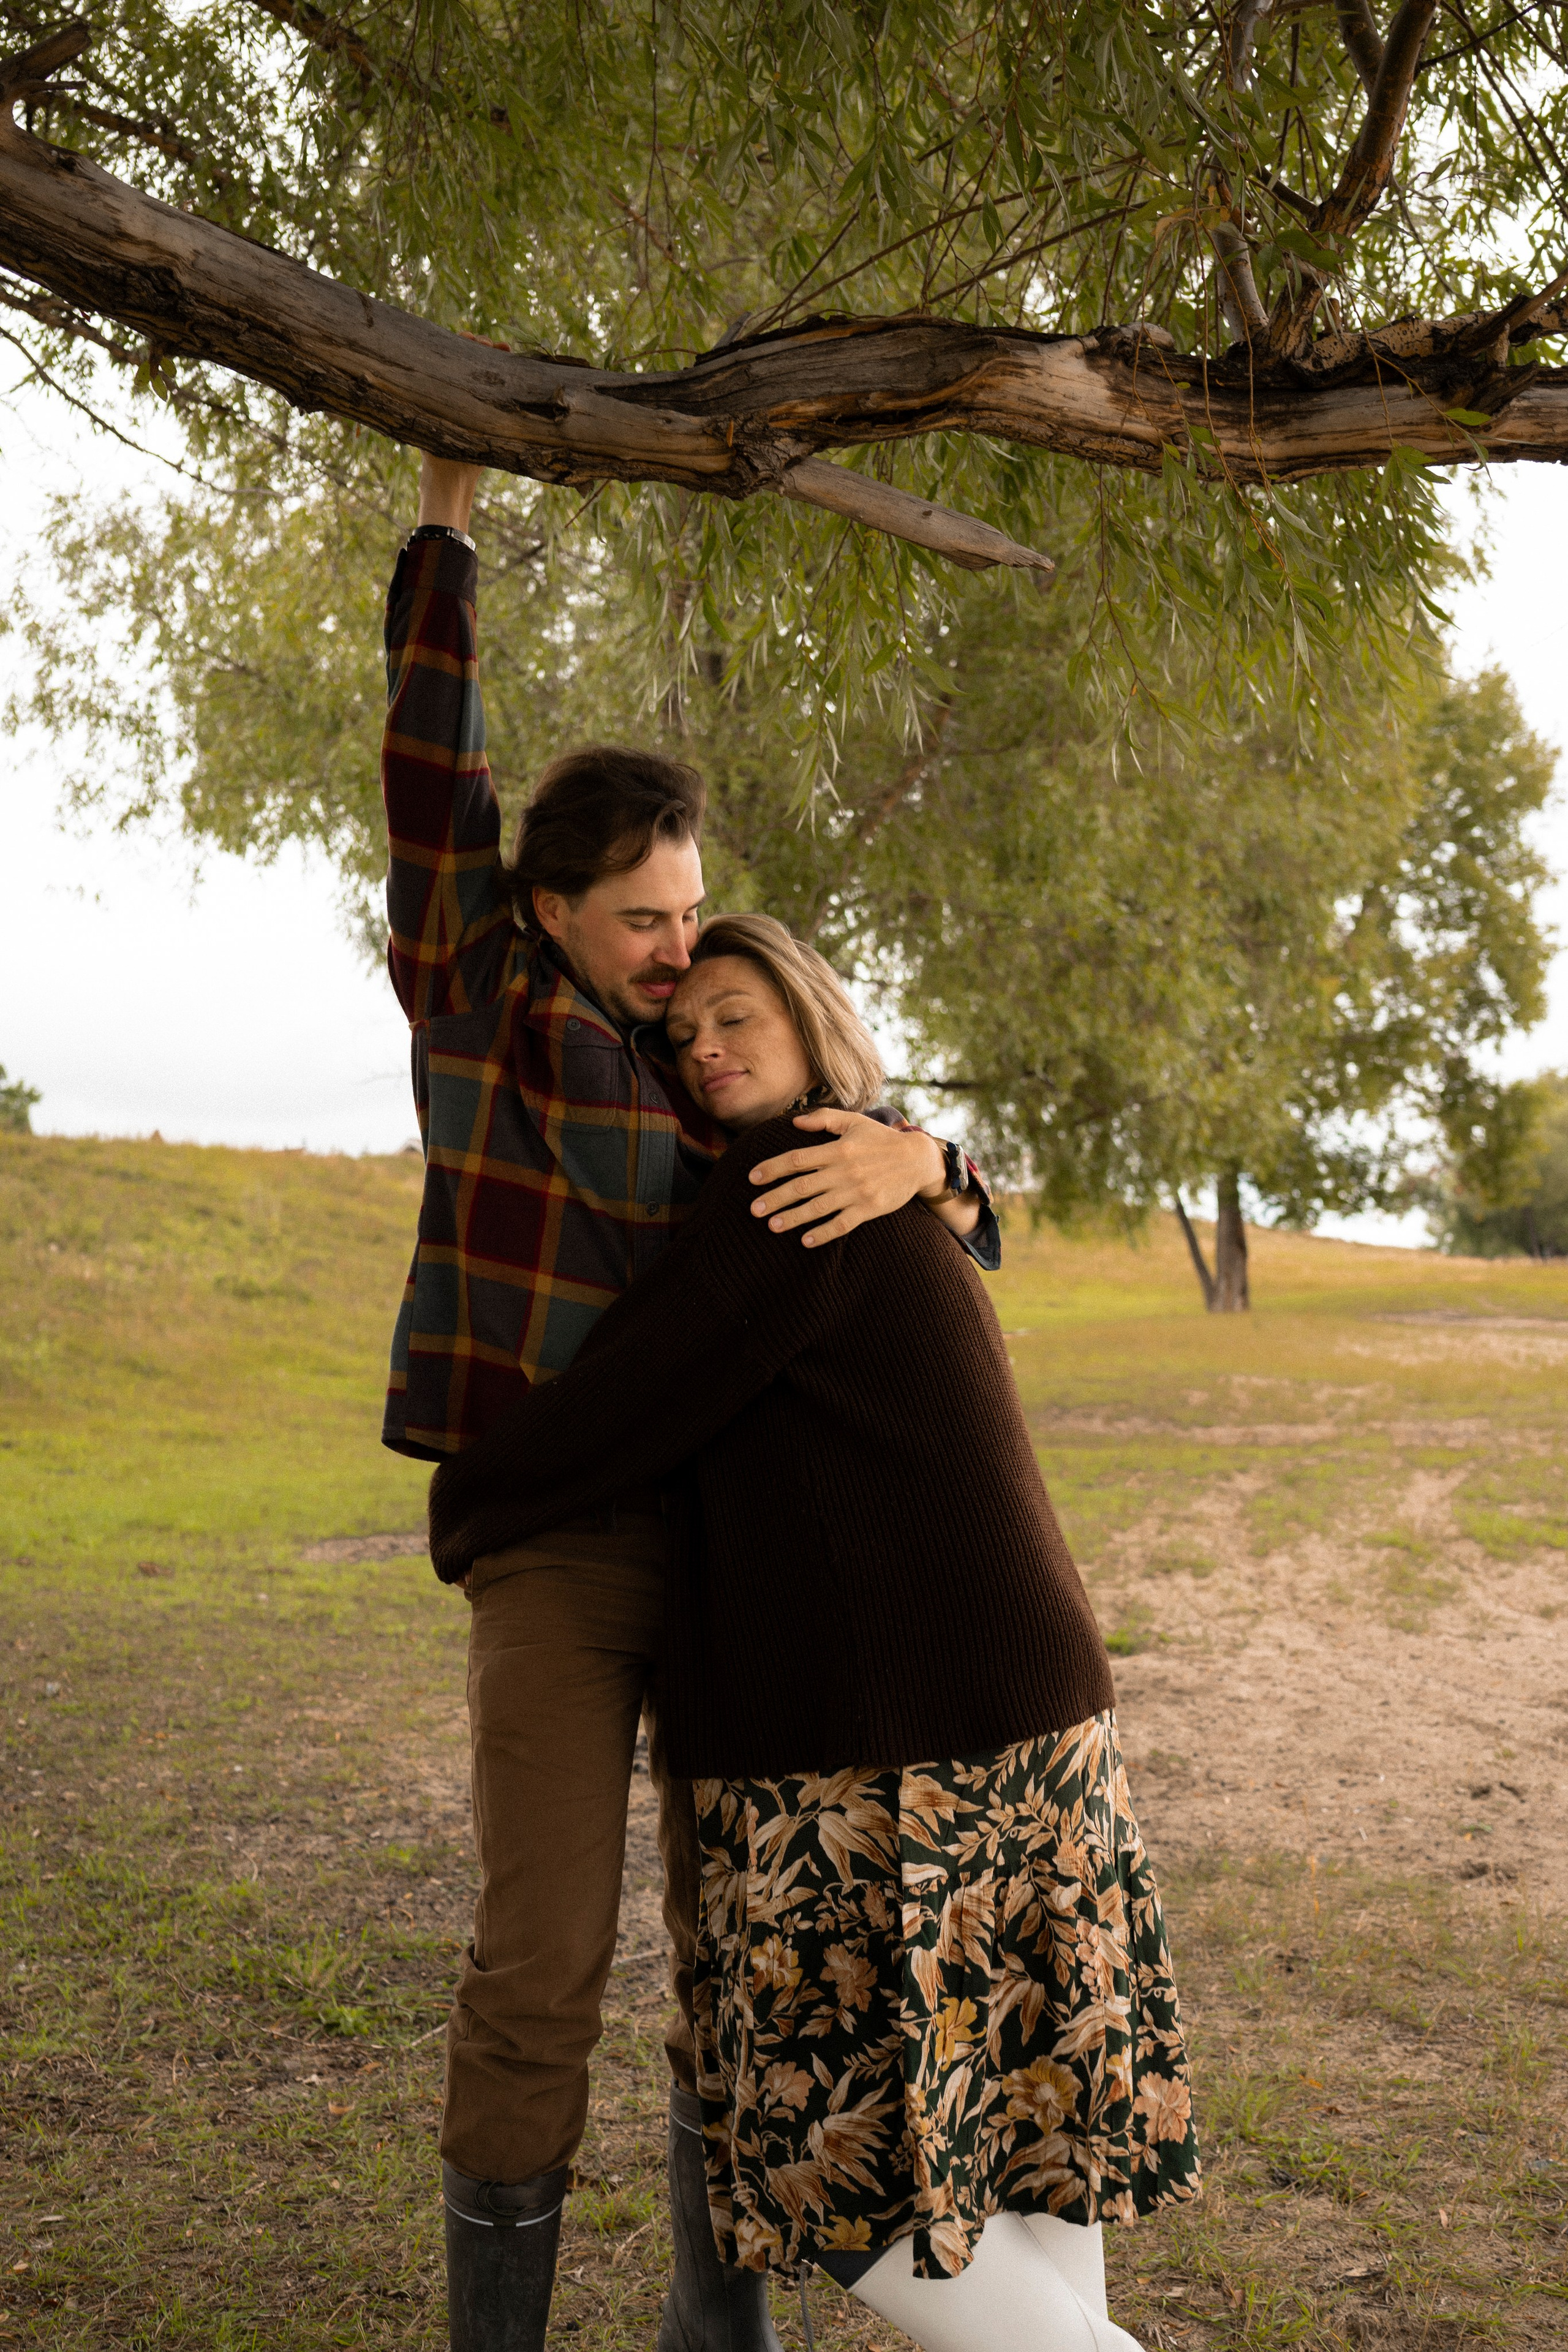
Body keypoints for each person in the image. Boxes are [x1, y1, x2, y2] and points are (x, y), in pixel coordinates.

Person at [382, 458, 1003, 2352]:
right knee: (545, 1960)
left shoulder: (722, 1070)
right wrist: (447, 514)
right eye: (645, 918)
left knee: (727, 1962)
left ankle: (706, 2336)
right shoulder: (482, 1003)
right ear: (554, 909)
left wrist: (937, 1167)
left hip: (746, 1553)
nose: (678, 951)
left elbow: (907, 1207)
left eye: (695, 916)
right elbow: (432, 776)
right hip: (567, 1555)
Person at [427, 914, 1200, 2352]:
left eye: (738, 1016)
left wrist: (466, 1499)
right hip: (1024, 1722)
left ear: (812, 1022)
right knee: (1024, 2130)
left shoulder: (790, 1188)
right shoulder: (869, 1163)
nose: (704, 1044)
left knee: (835, 2187)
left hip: (894, 1751)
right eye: (682, 1032)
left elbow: (629, 1397)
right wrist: (943, 1163)